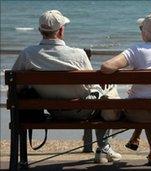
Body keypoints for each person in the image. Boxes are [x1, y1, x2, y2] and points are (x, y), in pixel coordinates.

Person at [12, 10, 121, 163]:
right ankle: (103, 147)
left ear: (40, 30)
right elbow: (93, 85)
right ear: (61, 30)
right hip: (83, 113)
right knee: (107, 91)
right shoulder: (78, 54)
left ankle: (21, 160)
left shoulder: (27, 54)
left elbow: (15, 87)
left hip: (53, 113)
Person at [100, 13, 151, 166]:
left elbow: (106, 67)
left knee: (142, 103)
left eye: (141, 28)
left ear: (145, 32)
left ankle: (138, 138)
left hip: (135, 114)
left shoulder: (136, 50)